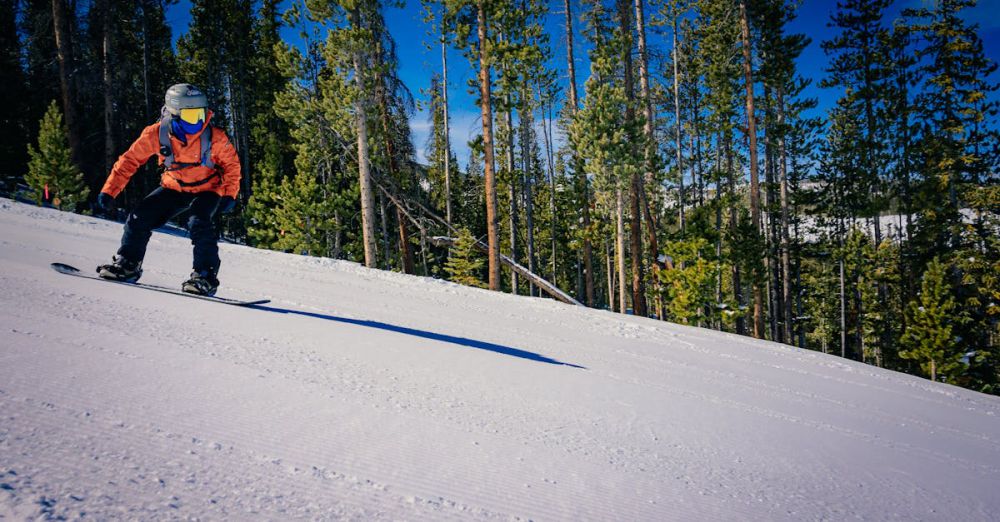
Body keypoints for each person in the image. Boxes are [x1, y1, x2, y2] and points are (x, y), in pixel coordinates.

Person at [95, 83, 242, 296]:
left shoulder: (214, 136)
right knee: (139, 216)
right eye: (191, 117)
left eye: (201, 115)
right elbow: (129, 161)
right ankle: (128, 264)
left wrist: (230, 194)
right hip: (174, 186)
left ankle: (204, 276)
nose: (199, 121)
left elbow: (232, 166)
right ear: (174, 113)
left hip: (208, 188)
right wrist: (110, 190)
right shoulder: (156, 134)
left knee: (198, 222)